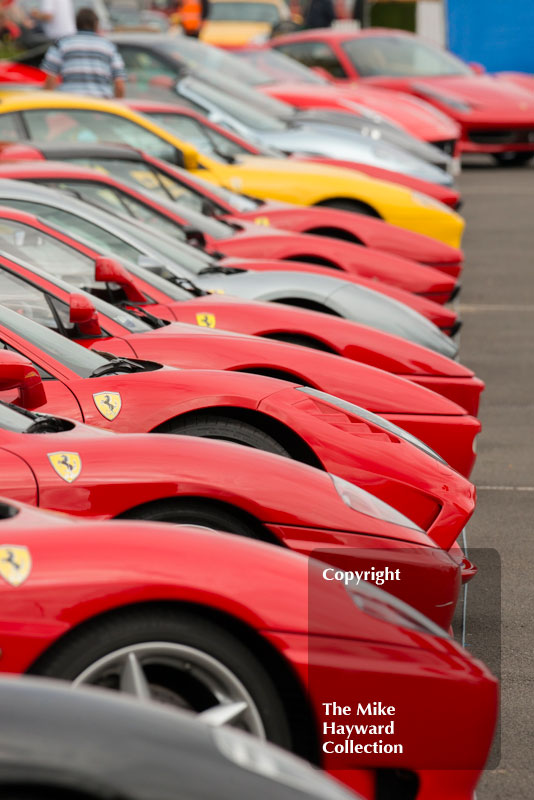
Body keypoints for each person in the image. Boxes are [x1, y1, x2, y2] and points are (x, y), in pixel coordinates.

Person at [41, 7, 126, 98]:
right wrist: (116, 106)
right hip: (101, 107)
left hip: (71, 105)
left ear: (76, 24)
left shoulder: (62, 44)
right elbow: (119, 85)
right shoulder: (109, 47)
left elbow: (50, 79)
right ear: (96, 24)